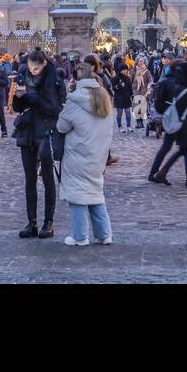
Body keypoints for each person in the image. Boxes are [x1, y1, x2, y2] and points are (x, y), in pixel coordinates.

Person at [56, 62, 116, 246]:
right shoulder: (103, 98)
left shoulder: (75, 100)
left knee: (78, 196)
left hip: (78, 153)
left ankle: (80, 236)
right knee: (95, 193)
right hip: (98, 154)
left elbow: (62, 126)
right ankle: (104, 234)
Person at [12, 49, 66, 239]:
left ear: (44, 64)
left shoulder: (55, 78)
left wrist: (35, 99)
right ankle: (31, 222)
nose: (32, 71)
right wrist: (19, 98)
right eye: (30, 68)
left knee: (48, 178)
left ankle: (48, 222)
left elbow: (57, 109)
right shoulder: (23, 75)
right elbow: (17, 108)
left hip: (46, 131)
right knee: (29, 178)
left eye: (36, 68)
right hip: (27, 130)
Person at [148, 60, 187, 188]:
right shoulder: (186, 88)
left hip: (170, 119)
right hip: (186, 121)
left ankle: (154, 173)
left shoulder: (166, 82)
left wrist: (168, 112)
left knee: (167, 147)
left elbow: (159, 104)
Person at [111, 56, 134, 132]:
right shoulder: (115, 78)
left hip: (127, 98)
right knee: (119, 113)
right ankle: (120, 126)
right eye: (124, 70)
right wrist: (119, 86)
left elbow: (130, 88)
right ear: (120, 70)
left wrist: (132, 96)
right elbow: (113, 88)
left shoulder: (127, 78)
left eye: (126, 70)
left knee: (128, 112)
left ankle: (129, 126)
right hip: (119, 98)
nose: (125, 71)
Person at [131, 56, 152, 131]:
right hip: (136, 91)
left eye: (142, 61)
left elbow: (150, 80)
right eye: (139, 61)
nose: (141, 62)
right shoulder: (134, 70)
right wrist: (131, 89)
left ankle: (141, 122)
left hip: (144, 91)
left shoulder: (146, 71)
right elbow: (131, 80)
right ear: (137, 62)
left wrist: (149, 87)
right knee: (137, 107)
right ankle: (138, 122)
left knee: (143, 108)